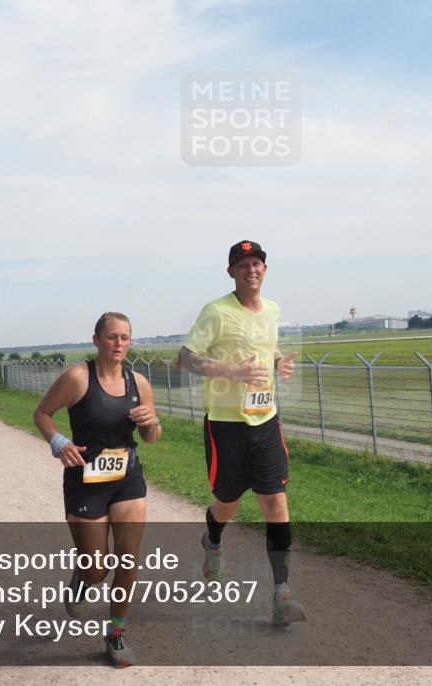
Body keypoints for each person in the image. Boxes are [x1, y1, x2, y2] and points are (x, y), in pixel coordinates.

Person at [179, 240, 304, 627]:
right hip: (226, 425)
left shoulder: (272, 310)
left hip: (265, 420)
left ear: (265, 269)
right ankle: (213, 537)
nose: (251, 269)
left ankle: (282, 593)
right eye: (242, 264)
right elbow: (185, 358)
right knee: (227, 504)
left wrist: (279, 361)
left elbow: (265, 344)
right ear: (231, 271)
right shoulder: (216, 312)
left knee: (275, 503)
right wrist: (232, 372)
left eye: (257, 263)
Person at [33, 312, 161, 668]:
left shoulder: (139, 383)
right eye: (112, 337)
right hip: (85, 483)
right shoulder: (77, 377)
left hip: (127, 480)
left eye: (125, 338)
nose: (119, 344)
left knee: (128, 558)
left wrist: (153, 424)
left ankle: (116, 634)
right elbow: (41, 414)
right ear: (97, 340)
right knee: (97, 570)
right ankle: (82, 578)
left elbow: (151, 438)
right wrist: (59, 442)